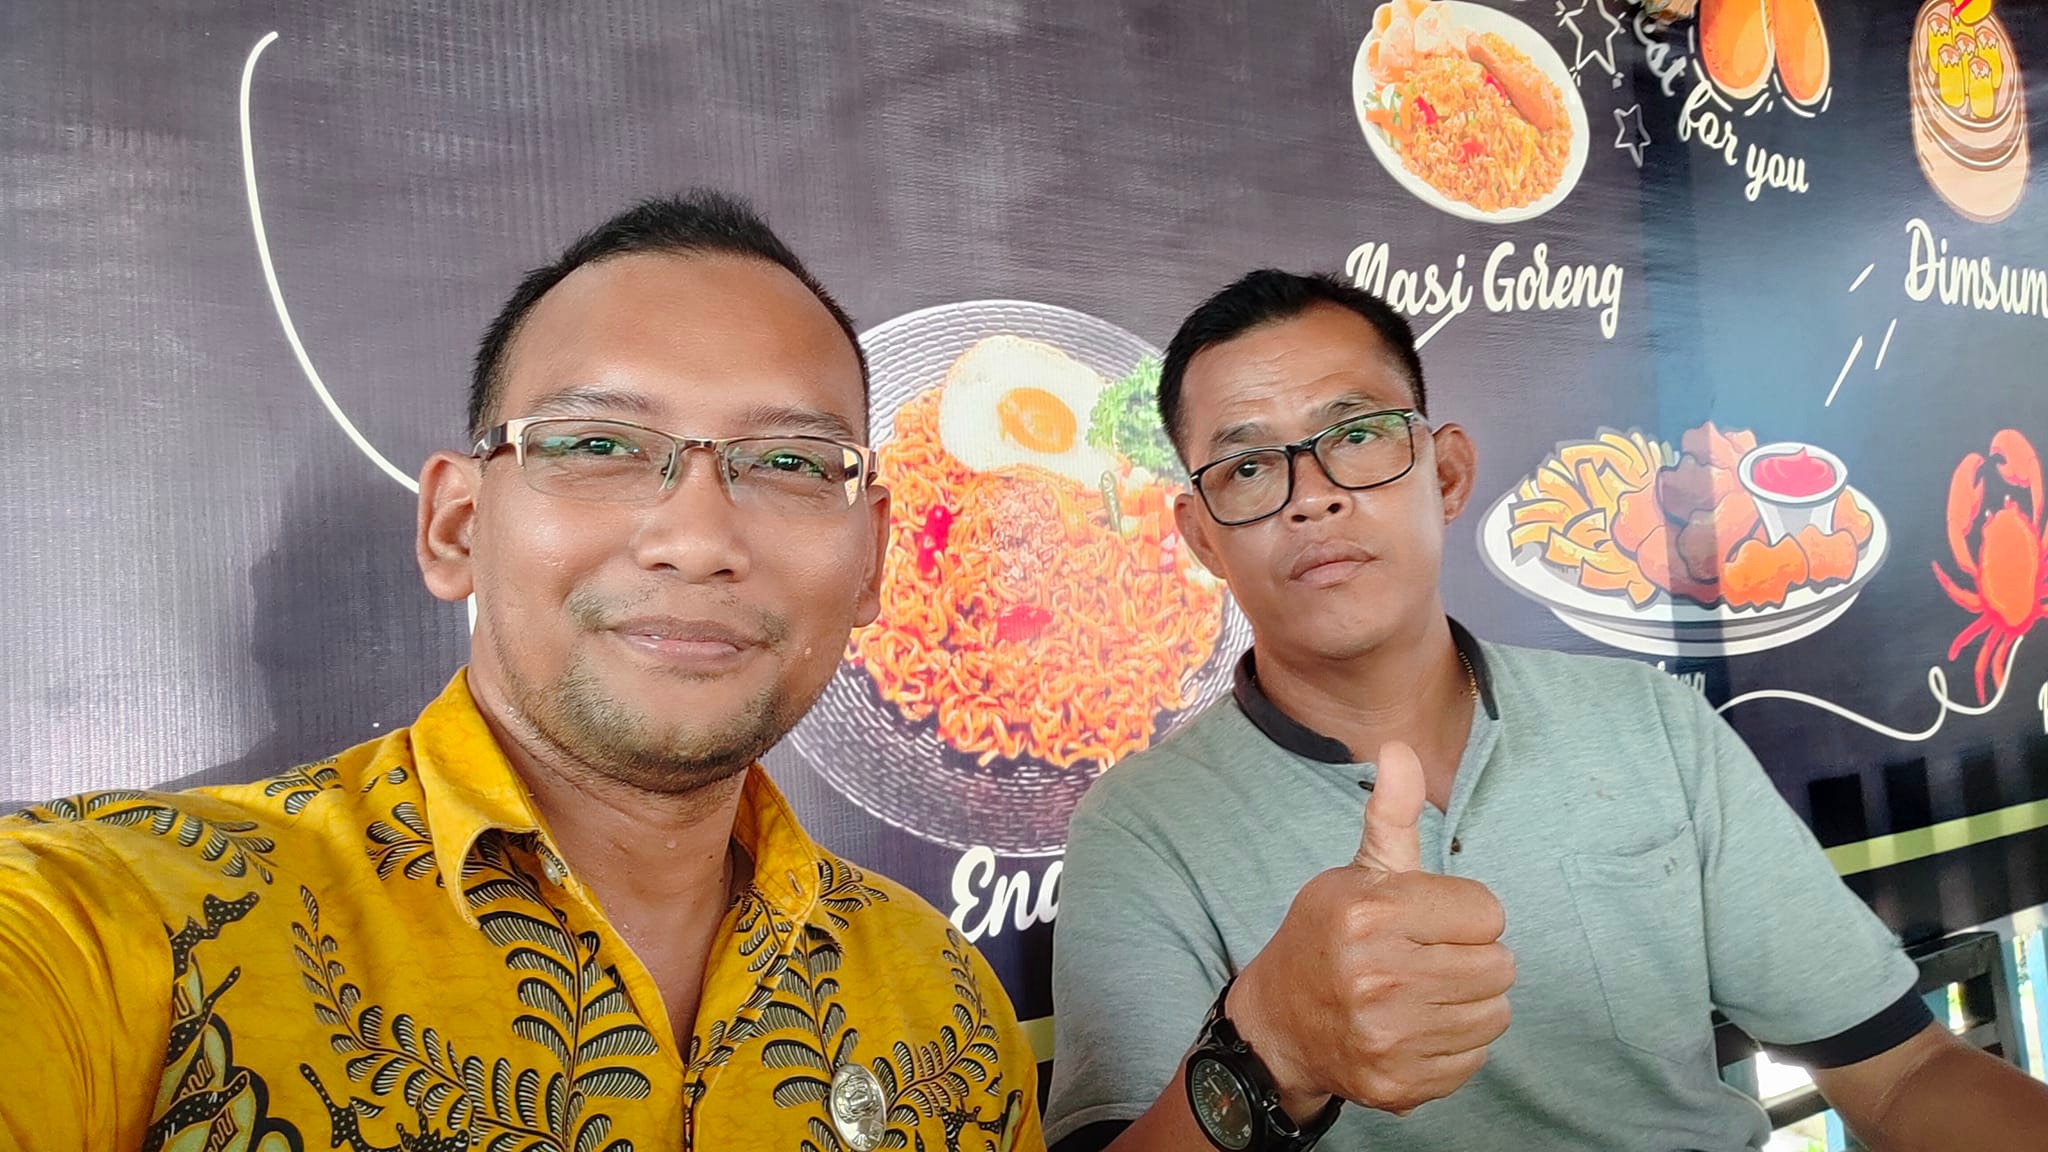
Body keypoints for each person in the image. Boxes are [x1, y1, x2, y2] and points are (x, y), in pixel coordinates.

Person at [0, 190, 1042, 1152]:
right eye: (598, 445)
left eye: (789, 463)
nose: (696, 539)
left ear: (872, 560)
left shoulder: (939, 996)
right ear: (457, 524)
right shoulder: (113, 923)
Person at [1046, 269, 2048, 1151]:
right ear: (1201, 539)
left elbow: (1902, 1075)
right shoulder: (1142, 829)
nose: (1311, 496)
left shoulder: (1647, 725)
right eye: (1248, 467)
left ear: (1446, 474)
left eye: (1356, 436)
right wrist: (1272, 1049)